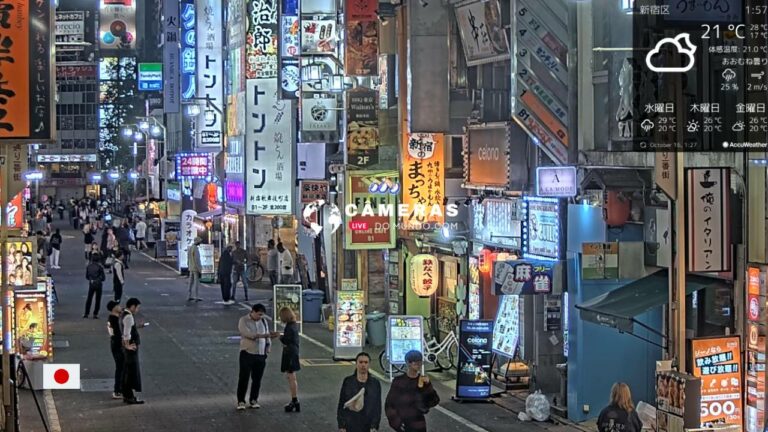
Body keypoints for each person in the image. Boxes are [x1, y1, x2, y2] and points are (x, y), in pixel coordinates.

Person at [384, 350, 440, 432]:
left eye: (420, 362)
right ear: (407, 363)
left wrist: (428, 386)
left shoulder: (423, 381)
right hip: (403, 423)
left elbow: (434, 401)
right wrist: (396, 423)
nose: (418, 365)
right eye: (415, 362)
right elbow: (389, 404)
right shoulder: (399, 381)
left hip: (418, 423)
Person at [236, 303, 277, 410]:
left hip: (260, 354)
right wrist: (264, 336)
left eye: (262, 315)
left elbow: (267, 334)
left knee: (257, 379)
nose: (260, 317)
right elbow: (248, 334)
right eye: (259, 314)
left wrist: (268, 345)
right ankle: (241, 401)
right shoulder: (243, 320)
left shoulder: (263, 321)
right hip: (247, 353)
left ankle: (254, 399)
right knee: (244, 378)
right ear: (252, 312)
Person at [338, 352, 382, 432]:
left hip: (368, 424)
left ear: (369, 364)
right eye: (360, 362)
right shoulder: (348, 381)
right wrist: (341, 424)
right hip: (351, 423)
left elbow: (377, 406)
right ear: (356, 363)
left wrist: (375, 425)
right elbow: (342, 403)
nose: (363, 365)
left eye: (366, 362)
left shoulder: (375, 383)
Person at [121, 298, 144, 404]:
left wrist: (137, 326)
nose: (137, 310)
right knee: (131, 372)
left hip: (128, 347)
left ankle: (128, 395)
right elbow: (126, 333)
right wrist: (127, 345)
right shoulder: (129, 317)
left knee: (128, 372)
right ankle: (129, 396)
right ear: (132, 306)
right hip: (131, 348)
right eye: (137, 307)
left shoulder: (125, 314)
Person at [278, 306, 301, 412]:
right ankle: (295, 400)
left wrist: (280, 337)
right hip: (294, 352)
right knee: (292, 377)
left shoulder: (289, 326)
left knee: (291, 377)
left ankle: (294, 399)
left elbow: (286, 340)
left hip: (289, 353)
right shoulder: (294, 325)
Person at [106, 301, 124, 399]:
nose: (120, 307)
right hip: (117, 346)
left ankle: (119, 389)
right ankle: (117, 390)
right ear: (114, 308)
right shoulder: (114, 320)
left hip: (114, 344)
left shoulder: (112, 319)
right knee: (120, 368)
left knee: (120, 367)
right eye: (118, 306)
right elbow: (118, 335)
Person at [84, 255, 106, 319]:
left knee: (89, 299)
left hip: (91, 283)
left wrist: (91, 279)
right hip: (99, 284)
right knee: (98, 299)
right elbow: (103, 278)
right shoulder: (100, 267)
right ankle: (95, 313)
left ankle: (86, 313)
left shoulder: (89, 266)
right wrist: (98, 279)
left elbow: (87, 276)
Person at [187, 237, 203, 302]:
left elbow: (188, 258)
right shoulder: (195, 249)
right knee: (196, 283)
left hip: (191, 267)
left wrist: (188, 265)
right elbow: (197, 260)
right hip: (195, 268)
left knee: (190, 282)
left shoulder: (190, 247)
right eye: (199, 242)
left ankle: (189, 296)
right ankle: (196, 296)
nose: (200, 243)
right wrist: (199, 269)